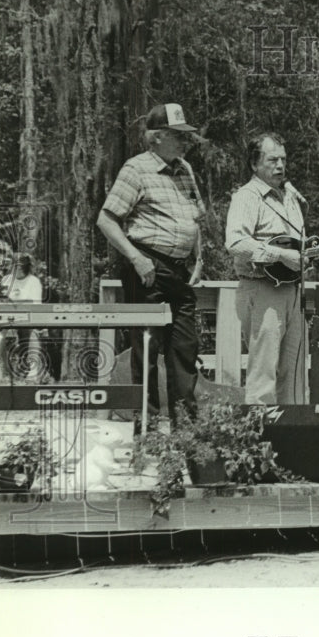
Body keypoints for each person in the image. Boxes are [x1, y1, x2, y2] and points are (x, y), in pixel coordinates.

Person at [97, 103, 205, 432]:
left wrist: (199, 258)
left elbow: (196, 218)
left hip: (180, 269)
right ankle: (146, 431)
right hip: (147, 264)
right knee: (146, 347)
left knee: (184, 347)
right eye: (177, 136)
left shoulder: (184, 168)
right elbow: (106, 219)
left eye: (186, 136)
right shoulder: (136, 169)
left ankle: (185, 429)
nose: (185, 142)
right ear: (155, 138)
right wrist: (136, 258)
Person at [225, 132, 319, 405]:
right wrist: (279, 255)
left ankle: (289, 441)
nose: (280, 166)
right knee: (263, 374)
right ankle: (258, 441)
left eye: (283, 159)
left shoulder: (289, 197)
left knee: (294, 376)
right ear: (255, 164)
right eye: (272, 160)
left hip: (294, 293)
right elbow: (235, 242)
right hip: (261, 289)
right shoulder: (247, 197)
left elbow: (298, 249)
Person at [0, 253, 44, 381]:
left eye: (20, 266)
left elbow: (36, 306)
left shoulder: (34, 281)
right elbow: (0, 302)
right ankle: (3, 370)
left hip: (27, 318)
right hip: (7, 318)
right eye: (15, 266)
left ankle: (32, 369)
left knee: (33, 333)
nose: (17, 269)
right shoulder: (6, 280)